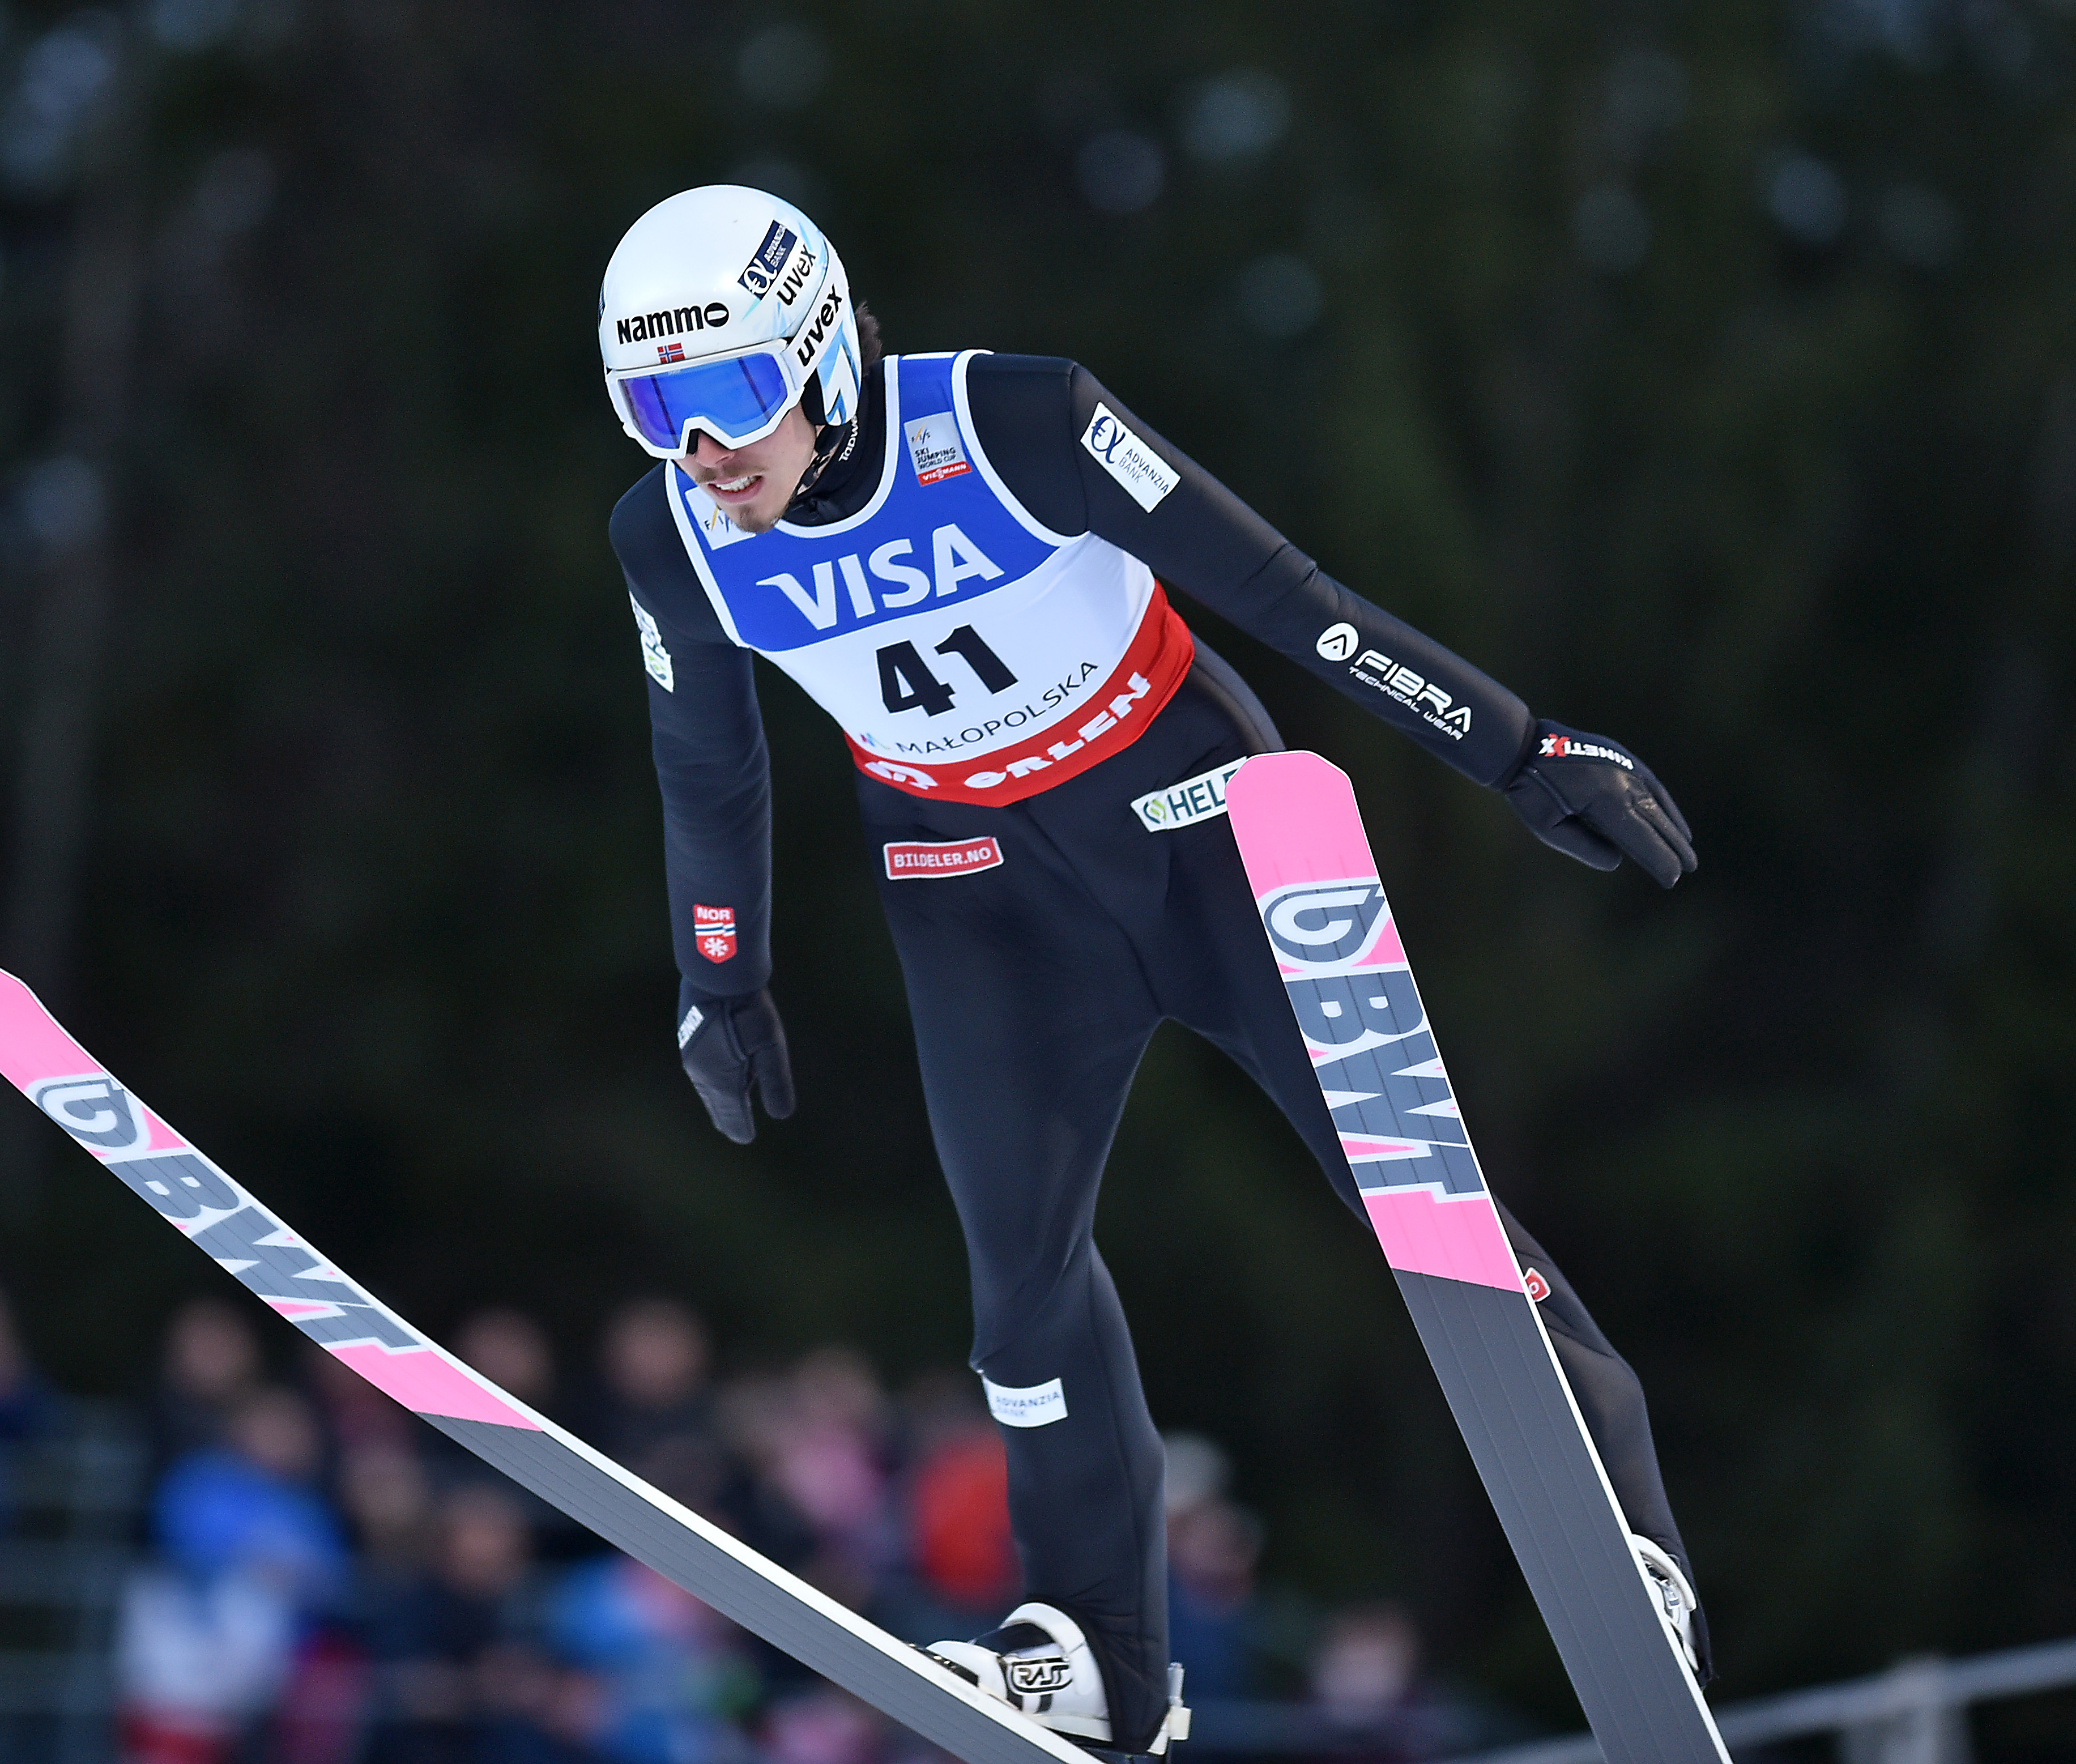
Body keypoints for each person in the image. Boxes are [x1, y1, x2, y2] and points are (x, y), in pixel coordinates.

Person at [597, 185, 1705, 1757]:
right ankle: (1102, 1655)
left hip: (1189, 829)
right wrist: (721, 977)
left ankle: (1621, 1528)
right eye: (653, 411)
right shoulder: (673, 537)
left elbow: (1291, 604)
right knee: (1019, 1286)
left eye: (723, 399)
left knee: (1412, 1186)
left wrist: (1522, 748)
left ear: (823, 356)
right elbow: (705, 769)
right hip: (977, 892)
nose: (701, 451)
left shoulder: (1012, 421)